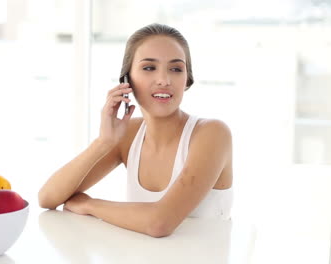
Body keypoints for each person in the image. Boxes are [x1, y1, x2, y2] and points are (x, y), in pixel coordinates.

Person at [38, 23, 233, 238]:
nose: (164, 80)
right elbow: (48, 198)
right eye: (149, 68)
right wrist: (103, 142)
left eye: (176, 69)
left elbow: (160, 223)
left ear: (187, 79)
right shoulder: (129, 135)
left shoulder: (212, 134)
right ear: (126, 80)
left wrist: (90, 205)